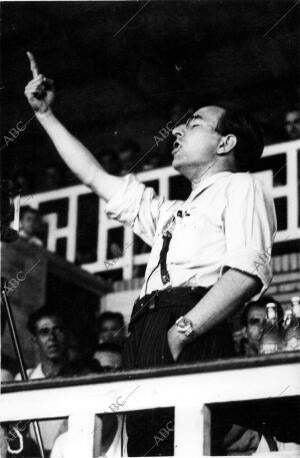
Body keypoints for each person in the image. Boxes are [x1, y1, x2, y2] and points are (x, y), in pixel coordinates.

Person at [24, 53, 276, 456]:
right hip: (145, 330)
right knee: (146, 449)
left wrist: (183, 331)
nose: (177, 129)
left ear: (226, 142)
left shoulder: (241, 187)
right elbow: (94, 177)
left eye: (194, 124)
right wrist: (46, 116)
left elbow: (245, 274)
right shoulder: (170, 212)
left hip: (189, 326)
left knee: (188, 444)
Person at [15, 307, 72, 454]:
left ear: (66, 334)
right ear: (35, 339)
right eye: (44, 332)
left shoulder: (80, 377)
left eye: (57, 330)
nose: (52, 338)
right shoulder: (23, 378)